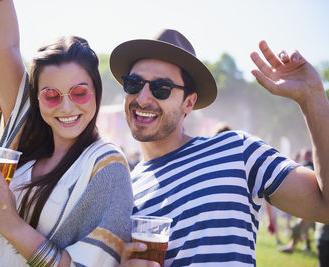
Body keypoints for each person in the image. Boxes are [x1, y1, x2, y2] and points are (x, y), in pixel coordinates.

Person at [109, 29, 329, 266]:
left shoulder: (237, 151)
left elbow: (324, 207)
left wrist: (312, 97)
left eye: (161, 88)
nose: (142, 98)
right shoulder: (125, 193)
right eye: (134, 84)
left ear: (189, 102)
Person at [0, 0, 133, 266]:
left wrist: (9, 222)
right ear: (36, 98)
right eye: (51, 95)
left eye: (79, 92)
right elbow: (4, 48)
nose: (66, 107)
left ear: (96, 91)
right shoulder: (27, 136)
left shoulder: (107, 165)